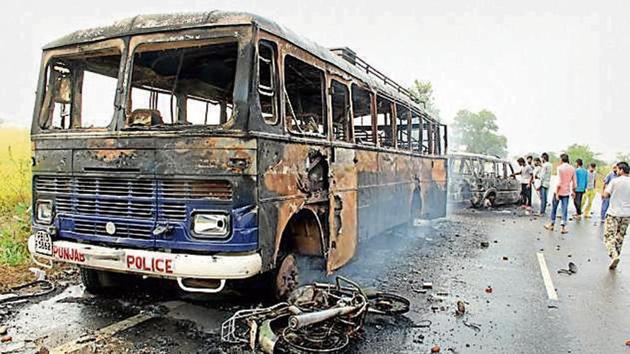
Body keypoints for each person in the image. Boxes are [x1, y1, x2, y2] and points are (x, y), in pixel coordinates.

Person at [601, 161, 630, 270]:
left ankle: (614, 255)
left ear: (621, 170)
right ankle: (617, 255)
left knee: (609, 236)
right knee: (620, 236)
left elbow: (605, 195)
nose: (616, 171)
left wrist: (604, 192)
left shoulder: (615, 181)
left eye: (617, 169)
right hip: (627, 215)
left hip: (614, 213)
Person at [544, 154, 575, 234]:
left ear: (561, 160)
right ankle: (563, 227)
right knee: (564, 209)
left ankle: (552, 224)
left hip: (558, 191)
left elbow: (559, 182)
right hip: (566, 192)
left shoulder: (559, 168)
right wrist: (573, 191)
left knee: (554, 208)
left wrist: (557, 193)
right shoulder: (572, 169)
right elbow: (575, 182)